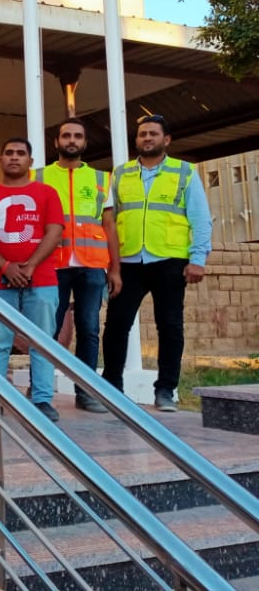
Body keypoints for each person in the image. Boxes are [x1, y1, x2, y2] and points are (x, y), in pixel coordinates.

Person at [100, 114, 212, 412]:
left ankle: (165, 390)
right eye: (142, 134)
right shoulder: (121, 174)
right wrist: (111, 263)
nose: (147, 138)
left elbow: (200, 218)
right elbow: (109, 221)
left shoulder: (184, 172)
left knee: (170, 326)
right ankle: (111, 387)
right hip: (128, 261)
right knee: (116, 325)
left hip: (169, 260)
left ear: (167, 139)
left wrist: (198, 259)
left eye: (153, 133)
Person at [34, 118, 121, 413]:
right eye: (66, 135)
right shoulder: (39, 177)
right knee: (47, 329)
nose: (72, 140)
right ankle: (40, 391)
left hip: (92, 265)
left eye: (77, 136)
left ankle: (85, 392)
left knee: (89, 329)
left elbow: (109, 225)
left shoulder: (101, 179)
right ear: (56, 142)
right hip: (52, 265)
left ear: (85, 142)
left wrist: (115, 269)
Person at [0, 138, 64, 422]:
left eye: (21, 153)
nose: (14, 157)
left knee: (42, 341)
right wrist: (5, 267)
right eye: (9, 153)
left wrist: (30, 266)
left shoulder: (47, 193)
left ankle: (42, 399)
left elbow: (54, 231)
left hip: (42, 278)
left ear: (30, 161)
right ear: (1, 160)